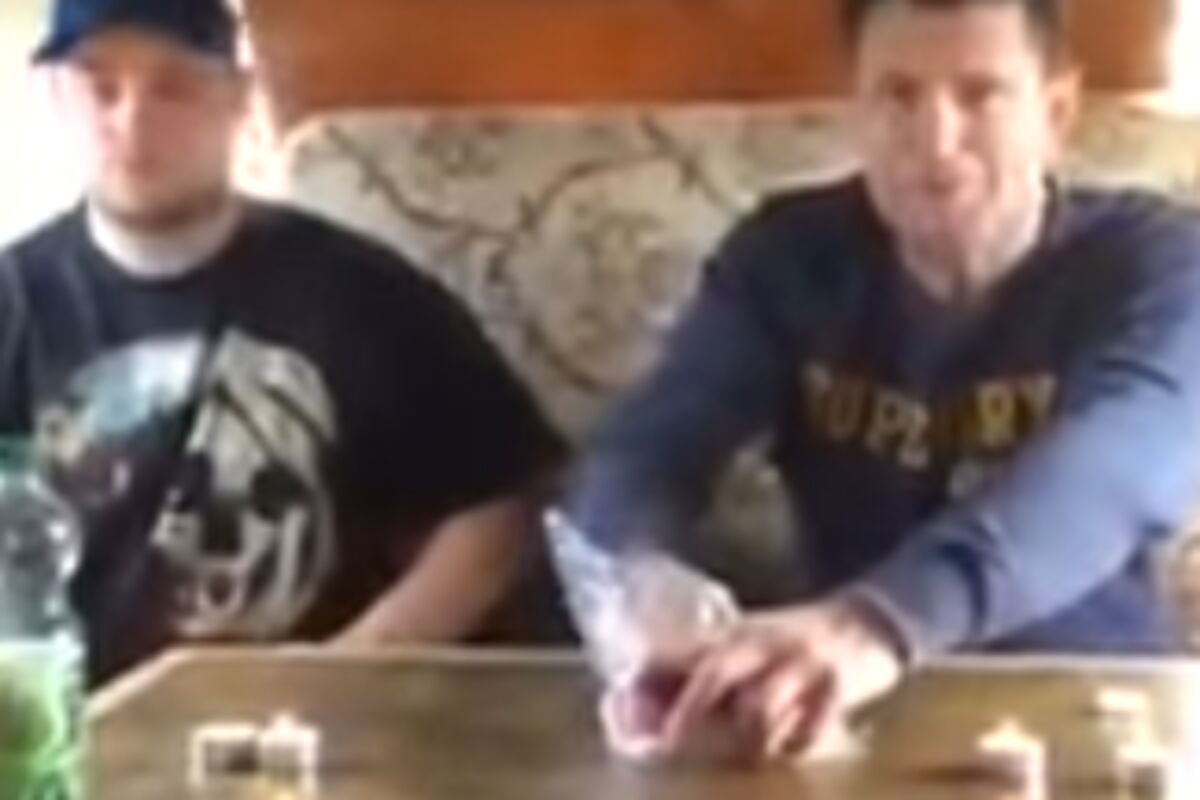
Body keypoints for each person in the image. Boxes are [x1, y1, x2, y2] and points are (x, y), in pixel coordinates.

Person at [565, 0, 1200, 760]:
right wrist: (640, 573)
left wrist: (874, 624)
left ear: (1055, 113)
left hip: (1094, 711)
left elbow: (1111, 477)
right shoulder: (784, 257)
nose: (936, 141)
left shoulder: (1158, 265)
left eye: (980, 96)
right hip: (835, 719)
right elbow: (648, 447)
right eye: (898, 96)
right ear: (856, 111)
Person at [0, 0, 564, 685]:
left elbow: (498, 514)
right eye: (100, 87)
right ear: (51, 97)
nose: (133, 122)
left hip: (313, 726)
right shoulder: (13, 303)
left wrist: (351, 671)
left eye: (175, 86)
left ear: (237, 101)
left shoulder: (362, 293)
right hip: (68, 720)